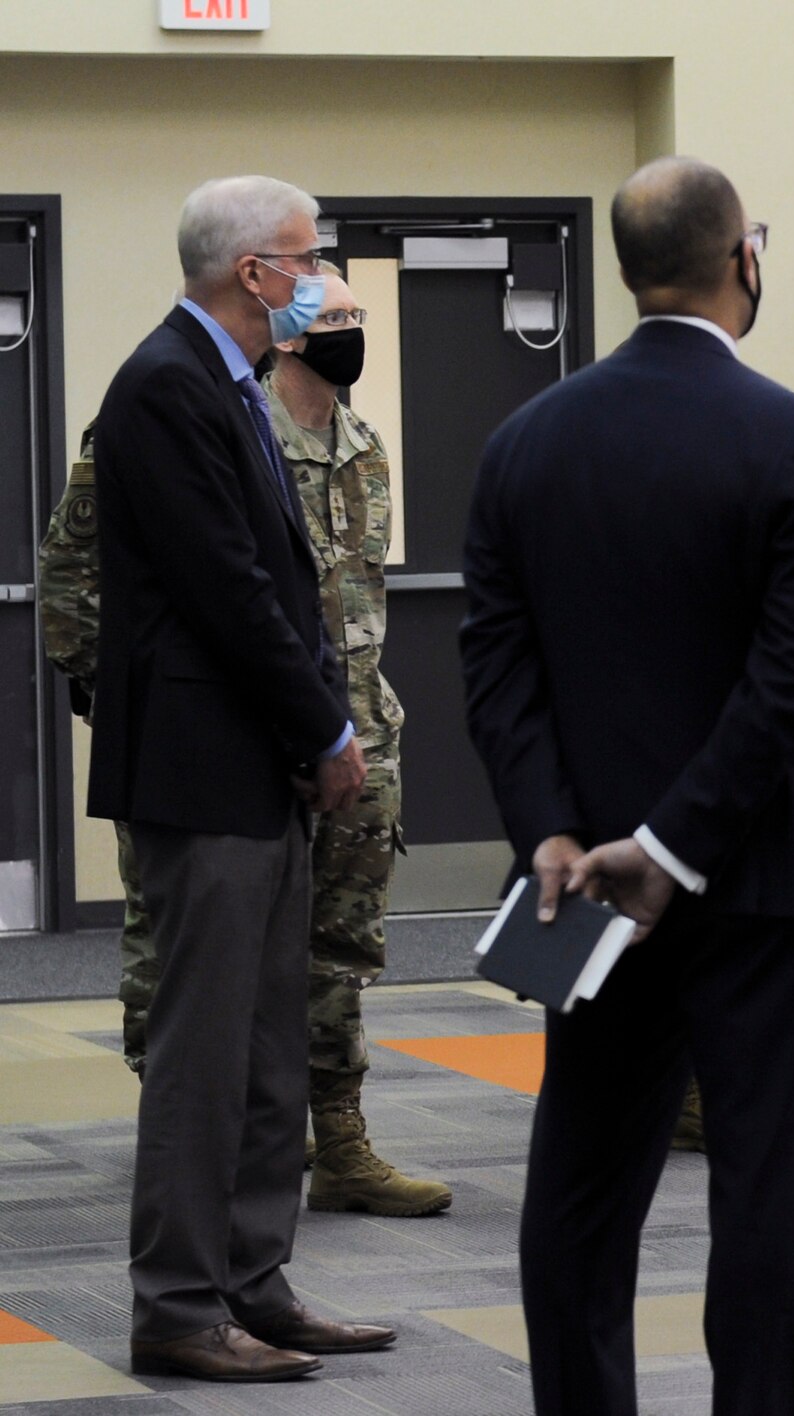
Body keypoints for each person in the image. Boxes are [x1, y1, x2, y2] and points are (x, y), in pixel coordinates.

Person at [461, 156, 794, 1416]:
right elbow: (787, 679)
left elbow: (496, 665)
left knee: (579, 1188)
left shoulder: (525, 441)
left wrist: (554, 834)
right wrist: (674, 845)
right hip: (756, 879)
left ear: (632, 272)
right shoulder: (793, 435)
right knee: (762, 1195)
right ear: (744, 259)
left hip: (583, 892)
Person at [38, 267, 451, 1220]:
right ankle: (193, 1152)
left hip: (354, 735)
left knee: (338, 952)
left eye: (357, 316)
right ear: (286, 321)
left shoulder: (364, 445)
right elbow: (75, 576)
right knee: (186, 964)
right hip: (226, 745)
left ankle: (337, 1142)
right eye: (334, 315)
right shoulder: (212, 418)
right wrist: (135, 711)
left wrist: (352, 726)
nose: (350, 332)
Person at [88, 175, 395, 1381]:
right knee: (205, 1052)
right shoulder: (164, 385)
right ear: (252, 274)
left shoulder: (228, 382)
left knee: (270, 1042)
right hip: (207, 768)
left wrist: (313, 727)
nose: (322, 274)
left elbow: (279, 580)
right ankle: (174, 1304)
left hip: (253, 764)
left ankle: (252, 1281)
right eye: (305, 256)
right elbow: (229, 590)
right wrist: (322, 729)